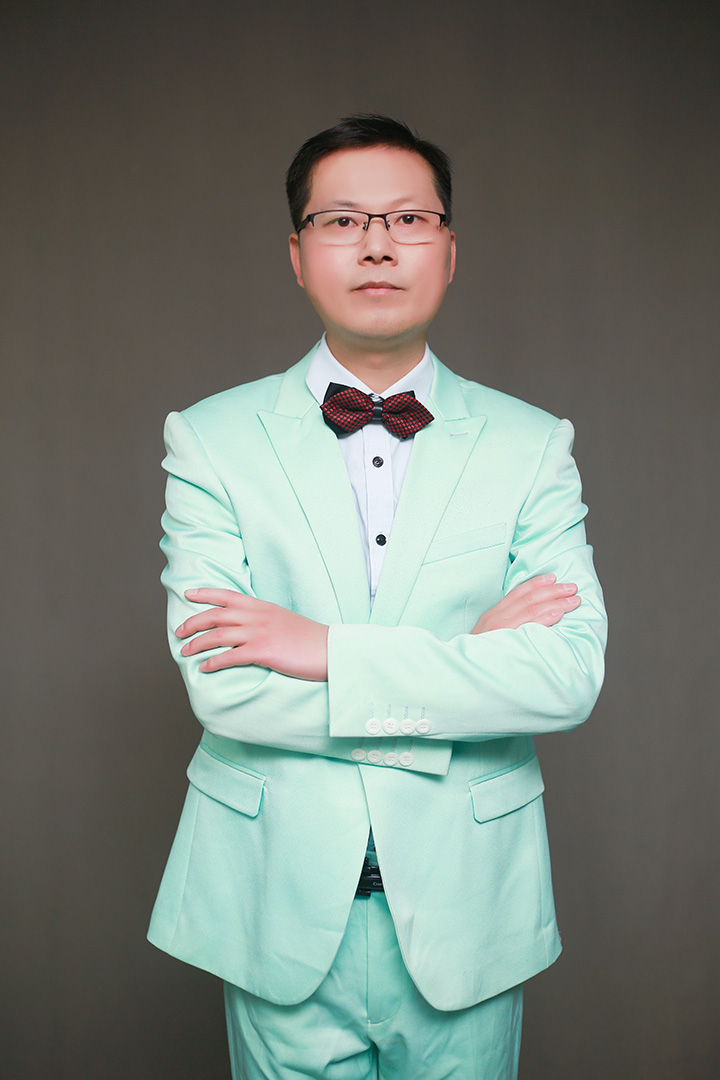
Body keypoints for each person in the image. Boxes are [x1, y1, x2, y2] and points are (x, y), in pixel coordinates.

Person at [148, 114, 607, 1079]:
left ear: (449, 251)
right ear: (297, 255)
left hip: (468, 909)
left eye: (407, 218)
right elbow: (226, 689)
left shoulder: (533, 446)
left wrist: (324, 651)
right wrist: (468, 662)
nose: (377, 245)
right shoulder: (209, 439)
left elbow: (565, 678)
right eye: (343, 220)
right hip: (275, 907)